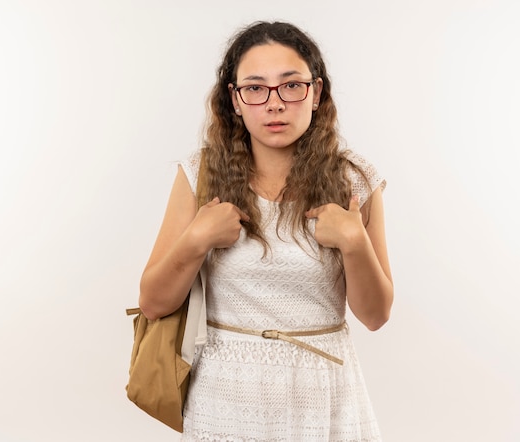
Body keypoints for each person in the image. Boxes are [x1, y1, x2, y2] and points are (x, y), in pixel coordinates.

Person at [139, 20, 393, 441]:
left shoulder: (355, 180)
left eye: (291, 85)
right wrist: (198, 238)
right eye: (255, 88)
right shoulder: (200, 174)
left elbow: (375, 315)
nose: (274, 103)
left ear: (317, 93)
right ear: (234, 101)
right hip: (225, 393)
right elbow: (152, 302)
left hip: (325, 391)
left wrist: (354, 242)